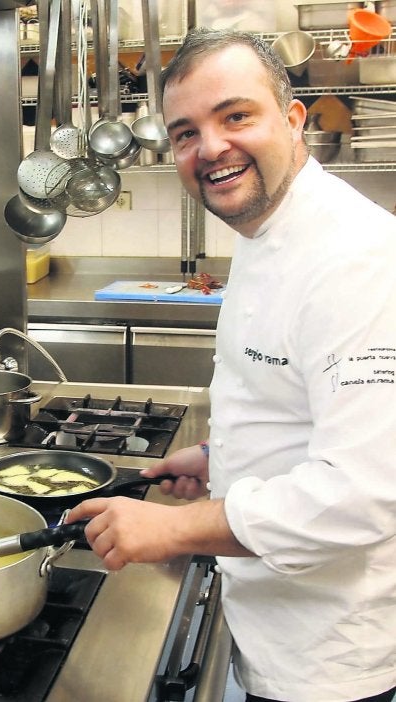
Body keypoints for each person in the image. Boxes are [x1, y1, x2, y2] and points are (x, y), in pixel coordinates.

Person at [66, 28, 396, 702]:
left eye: (236, 116)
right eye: (186, 132)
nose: (210, 148)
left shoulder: (357, 260)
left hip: (326, 659)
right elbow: (296, 401)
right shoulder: (264, 223)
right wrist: (221, 457)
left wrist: (175, 527)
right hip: (268, 616)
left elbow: (363, 496)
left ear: (294, 119)